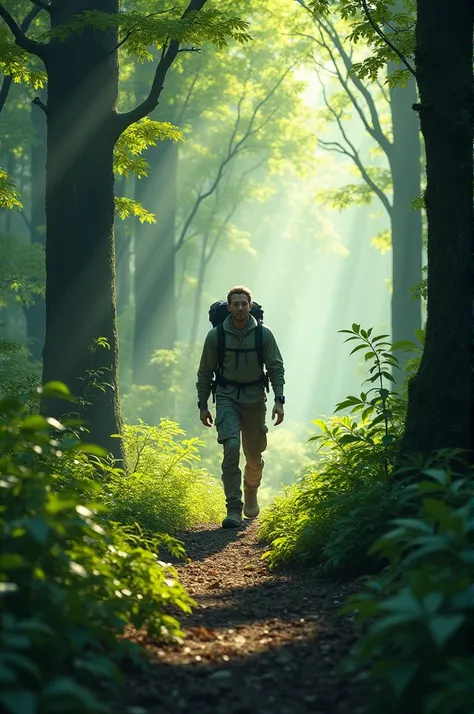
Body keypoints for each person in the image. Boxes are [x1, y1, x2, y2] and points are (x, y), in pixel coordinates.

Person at [196, 286, 285, 528]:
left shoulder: (263, 334)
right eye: (235, 304)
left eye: (244, 304)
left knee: (254, 456)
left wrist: (279, 400)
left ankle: (251, 491)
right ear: (228, 307)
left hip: (255, 398)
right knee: (231, 446)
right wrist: (203, 405)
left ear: (250, 305)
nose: (240, 308)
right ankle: (233, 508)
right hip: (226, 397)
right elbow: (204, 373)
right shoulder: (216, 336)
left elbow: (276, 367)